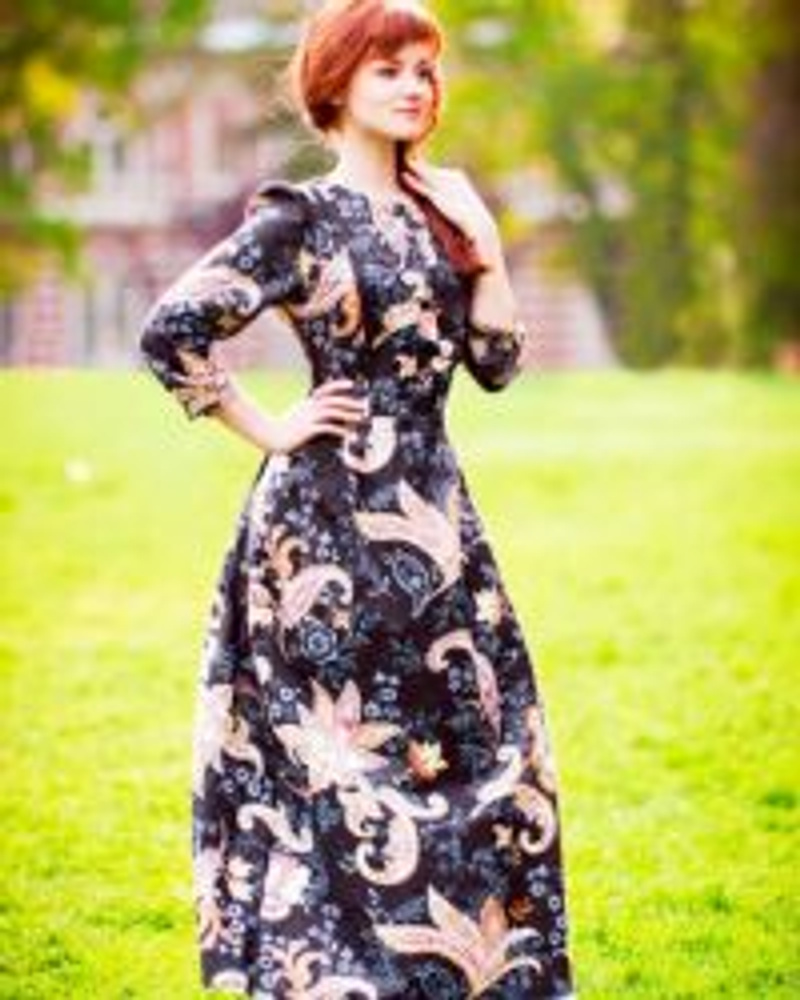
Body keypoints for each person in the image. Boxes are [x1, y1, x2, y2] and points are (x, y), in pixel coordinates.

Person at [139, 1, 577, 996]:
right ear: (335, 85)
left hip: (437, 519)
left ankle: (464, 969)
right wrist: (268, 426)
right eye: (390, 69)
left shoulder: (443, 210)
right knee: (337, 758)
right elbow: (172, 329)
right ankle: (333, 976)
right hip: (320, 531)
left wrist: (487, 248)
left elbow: (497, 364)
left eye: (425, 69)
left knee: (480, 748)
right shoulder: (299, 218)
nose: (415, 86)